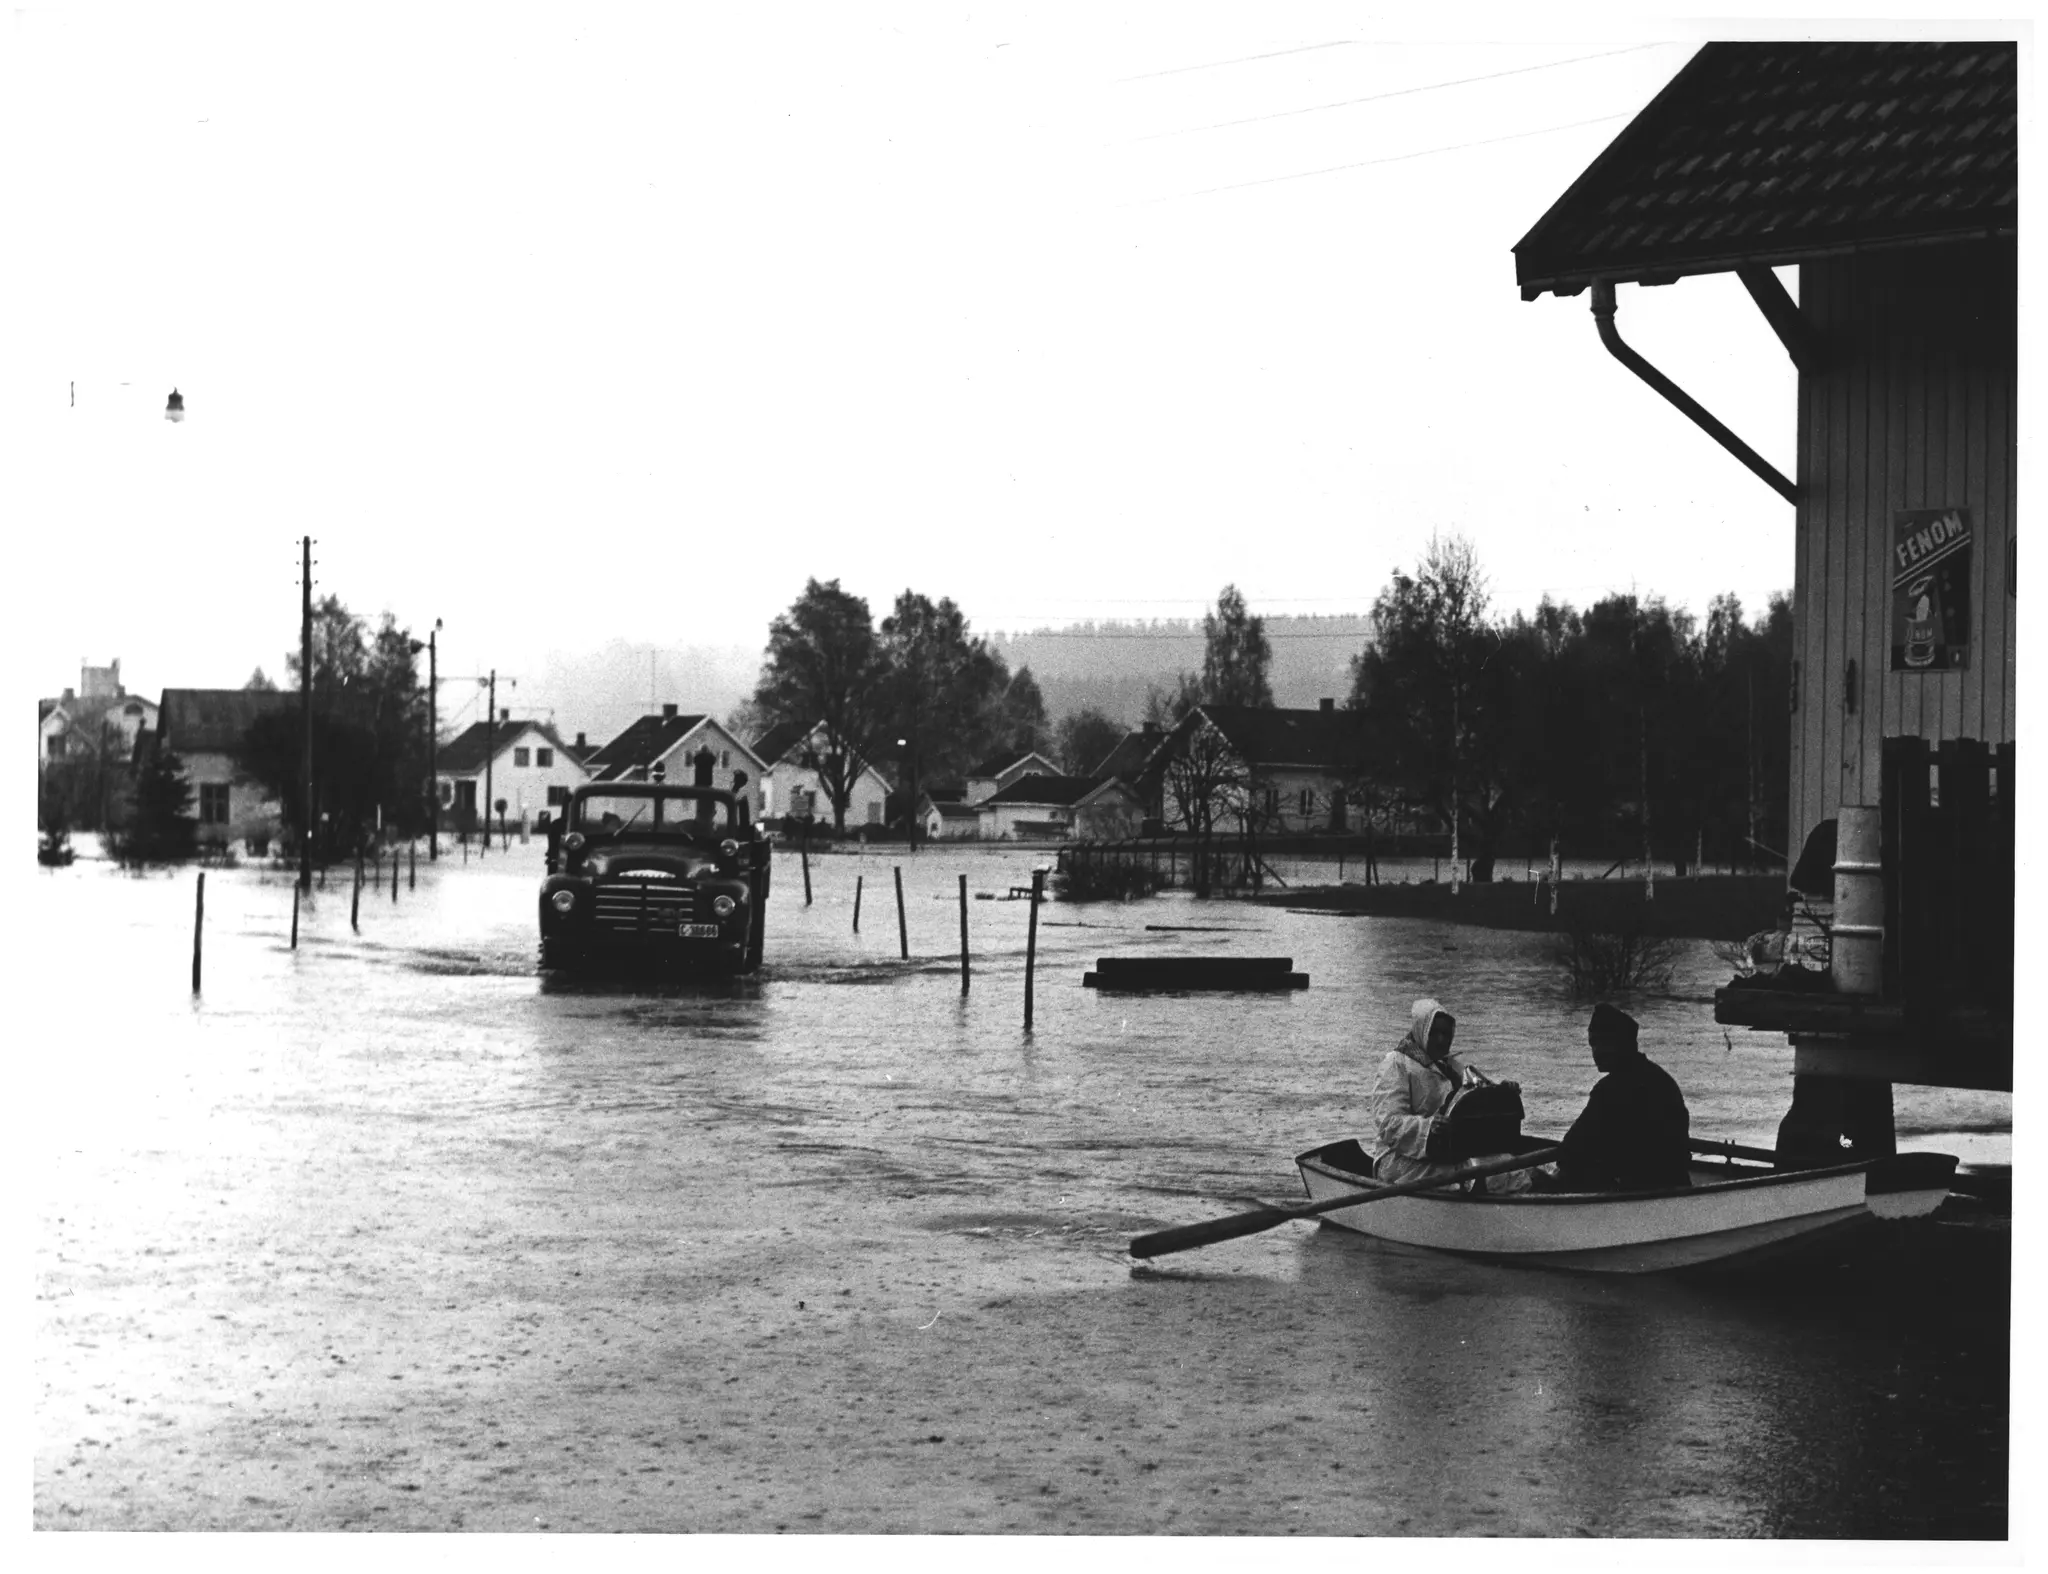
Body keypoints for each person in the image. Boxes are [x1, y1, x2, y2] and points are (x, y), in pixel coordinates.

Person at [1365, 998, 1533, 1193]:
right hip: (1400, 1162)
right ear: (1421, 1030)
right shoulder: (1396, 1064)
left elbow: (1478, 1096)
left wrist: (1503, 1091)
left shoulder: (1451, 1066)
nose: (1441, 1040)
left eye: (1446, 1034)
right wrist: (1428, 1127)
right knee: (1493, 1173)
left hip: (1446, 1154)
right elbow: (1388, 1124)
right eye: (1434, 1033)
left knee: (1507, 1164)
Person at [1551, 1003, 1692, 1191]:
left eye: (1603, 1044)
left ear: (1622, 1045)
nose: (1596, 1053)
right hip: (1677, 1181)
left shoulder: (1610, 1089)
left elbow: (1570, 1149)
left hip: (1638, 1188)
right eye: (1593, 1044)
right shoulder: (1660, 1077)